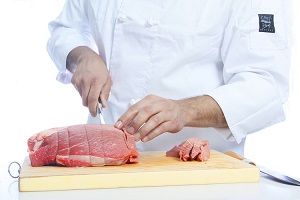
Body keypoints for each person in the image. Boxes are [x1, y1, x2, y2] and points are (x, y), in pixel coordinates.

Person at [47, 0, 291, 155]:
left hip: (197, 176)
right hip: (103, 160)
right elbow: (67, 27)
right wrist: (82, 55)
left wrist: (185, 110)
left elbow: (265, 83)